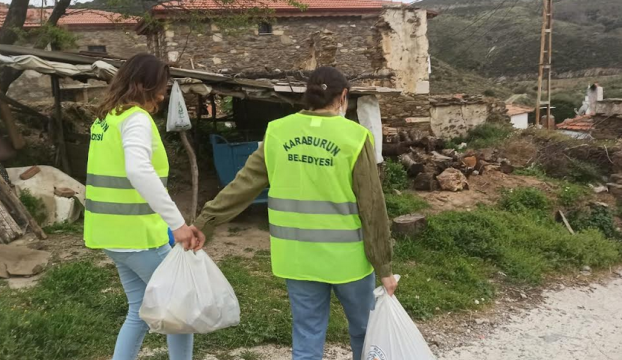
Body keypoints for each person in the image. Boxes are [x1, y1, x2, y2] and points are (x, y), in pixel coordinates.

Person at [186, 66, 396, 360]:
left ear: (306, 96)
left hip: (297, 258)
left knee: (308, 334)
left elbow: (243, 185)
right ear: (343, 97)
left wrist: (205, 221)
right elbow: (372, 207)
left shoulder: (277, 132)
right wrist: (384, 267)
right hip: (348, 260)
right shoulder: (355, 137)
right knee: (364, 329)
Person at [83, 53, 203, 360]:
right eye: (160, 87)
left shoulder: (107, 117)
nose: (163, 94)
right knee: (179, 313)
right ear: (144, 85)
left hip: (111, 235)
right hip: (137, 238)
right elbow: (138, 170)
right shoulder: (135, 118)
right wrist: (177, 224)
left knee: (138, 310)